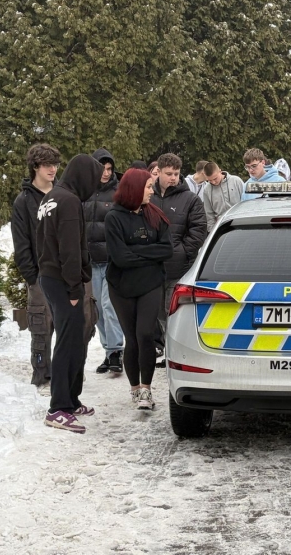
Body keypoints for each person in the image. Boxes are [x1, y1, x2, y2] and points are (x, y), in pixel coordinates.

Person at [36, 153, 102, 434]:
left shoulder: (51, 197)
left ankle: (71, 400)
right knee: (67, 341)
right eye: (94, 179)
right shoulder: (70, 201)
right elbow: (69, 249)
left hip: (50, 277)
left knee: (75, 338)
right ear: (83, 176)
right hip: (63, 281)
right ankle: (58, 408)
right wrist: (75, 288)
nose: (96, 185)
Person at [105, 169, 174, 410]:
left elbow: (166, 250)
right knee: (131, 338)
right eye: (147, 187)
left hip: (151, 283)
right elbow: (120, 258)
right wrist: (149, 252)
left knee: (145, 334)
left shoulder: (155, 215)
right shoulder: (114, 217)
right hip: (121, 286)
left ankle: (146, 389)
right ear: (134, 188)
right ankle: (134, 388)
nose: (152, 191)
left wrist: (135, 252)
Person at [150, 153, 207, 365]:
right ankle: (161, 348)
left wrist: (183, 251)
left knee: (173, 312)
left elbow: (199, 229)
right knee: (157, 315)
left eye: (176, 173)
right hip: (152, 268)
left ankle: (175, 354)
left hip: (178, 267)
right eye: (168, 174)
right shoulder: (148, 196)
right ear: (159, 172)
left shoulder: (190, 199)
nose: (173, 178)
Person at [11, 144, 60, 388]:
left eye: (55, 164)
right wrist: (31, 275)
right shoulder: (23, 201)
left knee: (70, 327)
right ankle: (42, 375)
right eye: (47, 165)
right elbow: (20, 242)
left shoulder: (63, 194)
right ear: (35, 167)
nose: (53, 169)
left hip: (65, 274)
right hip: (39, 275)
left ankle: (67, 373)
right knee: (41, 328)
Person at [83, 148, 125, 374]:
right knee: (97, 308)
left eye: (109, 169)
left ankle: (117, 350)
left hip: (111, 260)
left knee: (110, 306)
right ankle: (109, 352)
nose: (106, 173)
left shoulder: (118, 192)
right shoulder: (84, 191)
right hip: (90, 260)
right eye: (102, 168)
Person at [202, 161, 244, 231]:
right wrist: (212, 231)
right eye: (209, 180)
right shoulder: (207, 190)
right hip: (221, 227)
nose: (213, 182)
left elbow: (245, 202)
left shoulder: (236, 181)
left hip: (240, 223)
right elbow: (209, 214)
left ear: (220, 171)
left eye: (215, 178)